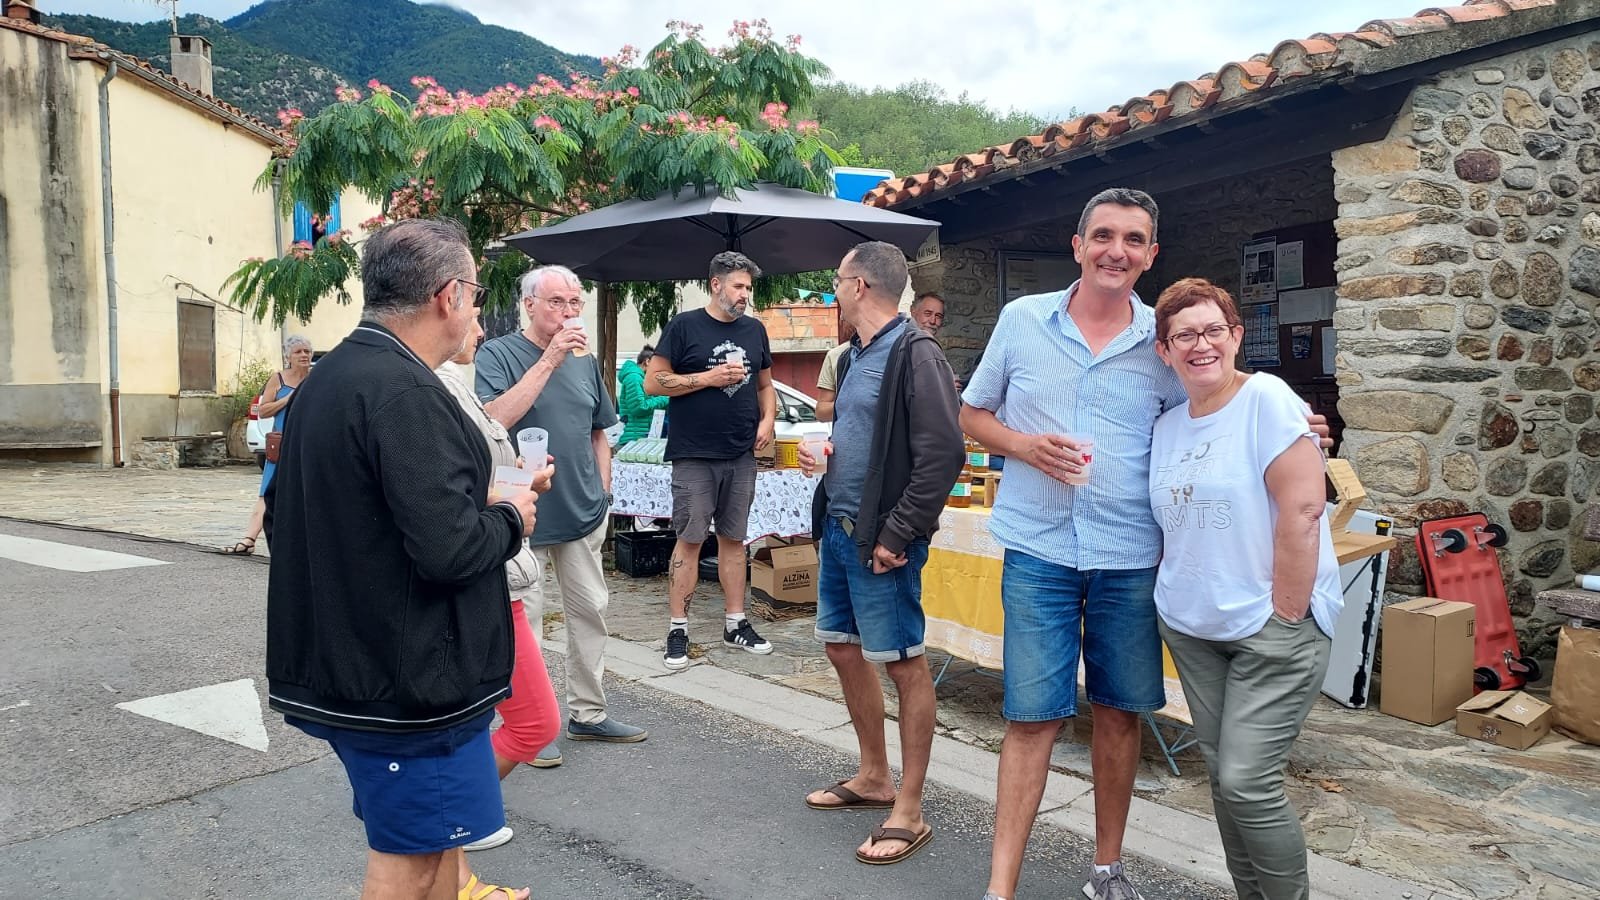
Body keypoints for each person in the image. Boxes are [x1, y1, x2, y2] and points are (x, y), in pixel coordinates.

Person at [963, 188, 1328, 900]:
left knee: (1119, 713)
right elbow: (971, 413)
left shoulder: (1159, 343)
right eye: (1103, 235)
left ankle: (1108, 872)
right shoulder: (1022, 320)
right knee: (1031, 718)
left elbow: (1216, 398)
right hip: (1038, 549)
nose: (1116, 251)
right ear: (1078, 245)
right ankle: (1000, 889)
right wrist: (1024, 447)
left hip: (1132, 556)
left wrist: (1295, 425)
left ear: (1151, 254)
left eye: (1133, 240)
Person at [265, 218, 543, 900]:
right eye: (477, 294)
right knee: (410, 864)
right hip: (409, 683)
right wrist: (511, 516)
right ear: (450, 296)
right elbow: (452, 550)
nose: (477, 311)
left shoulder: (332, 378)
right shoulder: (407, 392)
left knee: (436, 847)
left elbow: (303, 513)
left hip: (353, 662)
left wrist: (470, 500)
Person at [1149, 278, 1339, 900]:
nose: (1200, 345)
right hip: (1193, 627)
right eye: (1184, 336)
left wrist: (1286, 614)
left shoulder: (1267, 398)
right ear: (1164, 351)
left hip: (1270, 628)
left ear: (1235, 336)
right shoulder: (1167, 425)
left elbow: (1304, 508)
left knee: (1248, 782)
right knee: (1224, 781)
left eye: (1213, 330)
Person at [798, 241, 965, 865]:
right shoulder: (852, 356)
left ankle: (910, 809)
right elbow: (870, 438)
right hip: (841, 529)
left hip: (881, 541)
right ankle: (873, 776)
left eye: (837, 280)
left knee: (903, 664)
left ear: (860, 286)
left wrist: (899, 534)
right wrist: (828, 454)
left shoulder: (916, 351)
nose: (834, 290)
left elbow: (944, 453)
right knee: (842, 648)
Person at [476, 265, 647, 764]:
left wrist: (604, 492)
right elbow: (492, 420)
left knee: (590, 612)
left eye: (575, 303)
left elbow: (600, 430)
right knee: (523, 622)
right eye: (557, 302)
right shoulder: (497, 353)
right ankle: (527, 726)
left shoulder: (583, 359)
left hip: (581, 509)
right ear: (529, 304)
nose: (569, 312)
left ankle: (588, 714)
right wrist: (549, 358)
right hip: (519, 512)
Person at [434, 314, 562, 877]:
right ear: (445, 303)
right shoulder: (433, 385)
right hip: (483, 576)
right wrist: (513, 497)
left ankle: (453, 833)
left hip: (496, 571)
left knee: (490, 724)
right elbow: (447, 498)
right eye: (475, 313)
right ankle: (453, 829)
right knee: (524, 721)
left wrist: (521, 486)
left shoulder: (448, 381)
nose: (482, 330)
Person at [645, 251, 777, 671]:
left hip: (741, 453)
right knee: (690, 539)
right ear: (715, 284)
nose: (745, 295)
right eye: (738, 286)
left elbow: (765, 385)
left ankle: (735, 623)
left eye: (749, 288)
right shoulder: (684, 326)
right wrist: (708, 378)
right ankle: (678, 628)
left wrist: (768, 421)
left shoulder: (755, 330)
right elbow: (653, 383)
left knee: (735, 540)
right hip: (694, 454)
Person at [224, 334, 312, 555]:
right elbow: (263, 410)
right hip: (281, 445)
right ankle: (249, 539)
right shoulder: (278, 379)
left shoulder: (317, 378)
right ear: (288, 356)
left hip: (308, 445)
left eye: (307, 351)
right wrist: (287, 399)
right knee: (267, 492)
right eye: (298, 352)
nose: (303, 355)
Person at [618, 344, 671, 443]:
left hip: (640, 437)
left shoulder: (641, 378)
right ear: (647, 362)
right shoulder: (634, 378)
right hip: (634, 439)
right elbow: (639, 408)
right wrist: (666, 398)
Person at [814, 317, 857, 422]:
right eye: (842, 317)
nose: (841, 320)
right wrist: (853, 404)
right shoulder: (836, 355)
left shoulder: (891, 348)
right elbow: (821, 412)